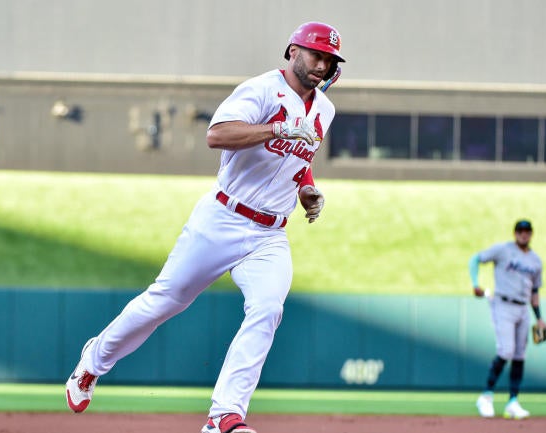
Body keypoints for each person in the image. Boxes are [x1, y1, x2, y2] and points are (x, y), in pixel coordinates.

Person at [65, 21, 345, 433]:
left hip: (269, 234)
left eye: (329, 58)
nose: (321, 63)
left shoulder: (325, 108)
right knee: (166, 300)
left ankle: (224, 415)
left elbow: (301, 155)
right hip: (223, 217)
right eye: (315, 53)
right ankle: (94, 361)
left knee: (268, 309)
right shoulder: (261, 90)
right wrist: (276, 127)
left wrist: (307, 189)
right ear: (292, 51)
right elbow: (217, 135)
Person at [468, 219, 546, 420]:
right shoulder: (503, 250)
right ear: (515, 233)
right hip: (503, 304)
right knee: (506, 350)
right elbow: (475, 259)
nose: (524, 234)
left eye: (527, 231)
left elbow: (535, 291)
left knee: (520, 355)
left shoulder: (535, 261)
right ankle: (486, 396)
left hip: (523, 308)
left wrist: (539, 318)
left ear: (531, 234)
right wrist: (476, 283)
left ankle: (513, 401)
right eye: (520, 231)